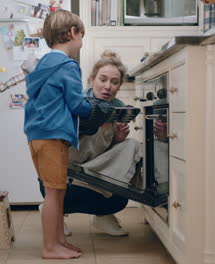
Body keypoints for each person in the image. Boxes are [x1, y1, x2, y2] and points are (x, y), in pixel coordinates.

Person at [39, 50, 134, 237]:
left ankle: (103, 215)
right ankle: (54, 213)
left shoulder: (119, 107)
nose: (108, 86)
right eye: (103, 79)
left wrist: (117, 140)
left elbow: (109, 156)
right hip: (67, 175)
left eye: (114, 82)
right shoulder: (77, 102)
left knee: (131, 147)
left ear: (119, 86)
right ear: (92, 80)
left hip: (95, 171)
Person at [24, 10, 91, 259]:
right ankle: (49, 247)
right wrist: (90, 107)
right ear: (73, 32)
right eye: (81, 37)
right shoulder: (68, 66)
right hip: (53, 135)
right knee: (54, 192)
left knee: (58, 189)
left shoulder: (42, 65)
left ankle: (59, 240)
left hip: (37, 135)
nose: (81, 44)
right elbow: (76, 104)